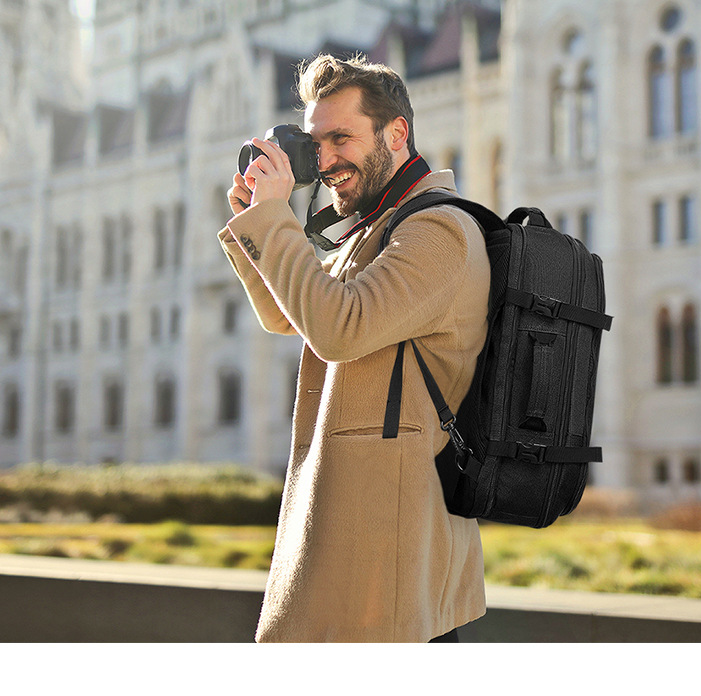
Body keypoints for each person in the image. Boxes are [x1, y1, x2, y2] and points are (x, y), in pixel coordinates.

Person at [219, 54, 490, 643]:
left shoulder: (438, 230)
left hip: (393, 557)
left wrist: (275, 220)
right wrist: (254, 222)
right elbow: (289, 315)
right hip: (362, 537)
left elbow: (338, 329)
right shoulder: (379, 228)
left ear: (397, 133)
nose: (324, 161)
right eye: (316, 144)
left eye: (341, 138)